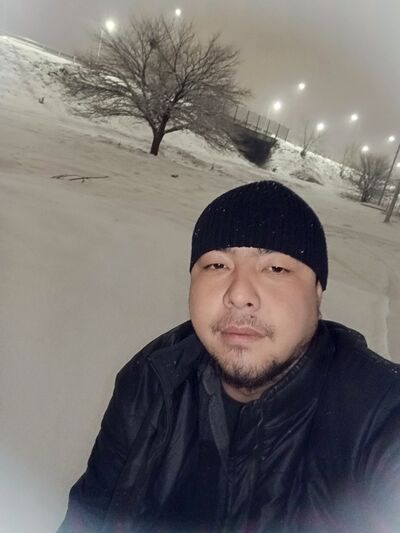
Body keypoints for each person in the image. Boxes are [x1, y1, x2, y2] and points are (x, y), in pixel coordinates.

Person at [59, 180, 400, 532]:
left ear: (317, 292)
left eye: (276, 268)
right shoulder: (152, 381)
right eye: (217, 266)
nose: (239, 294)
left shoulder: (382, 418)